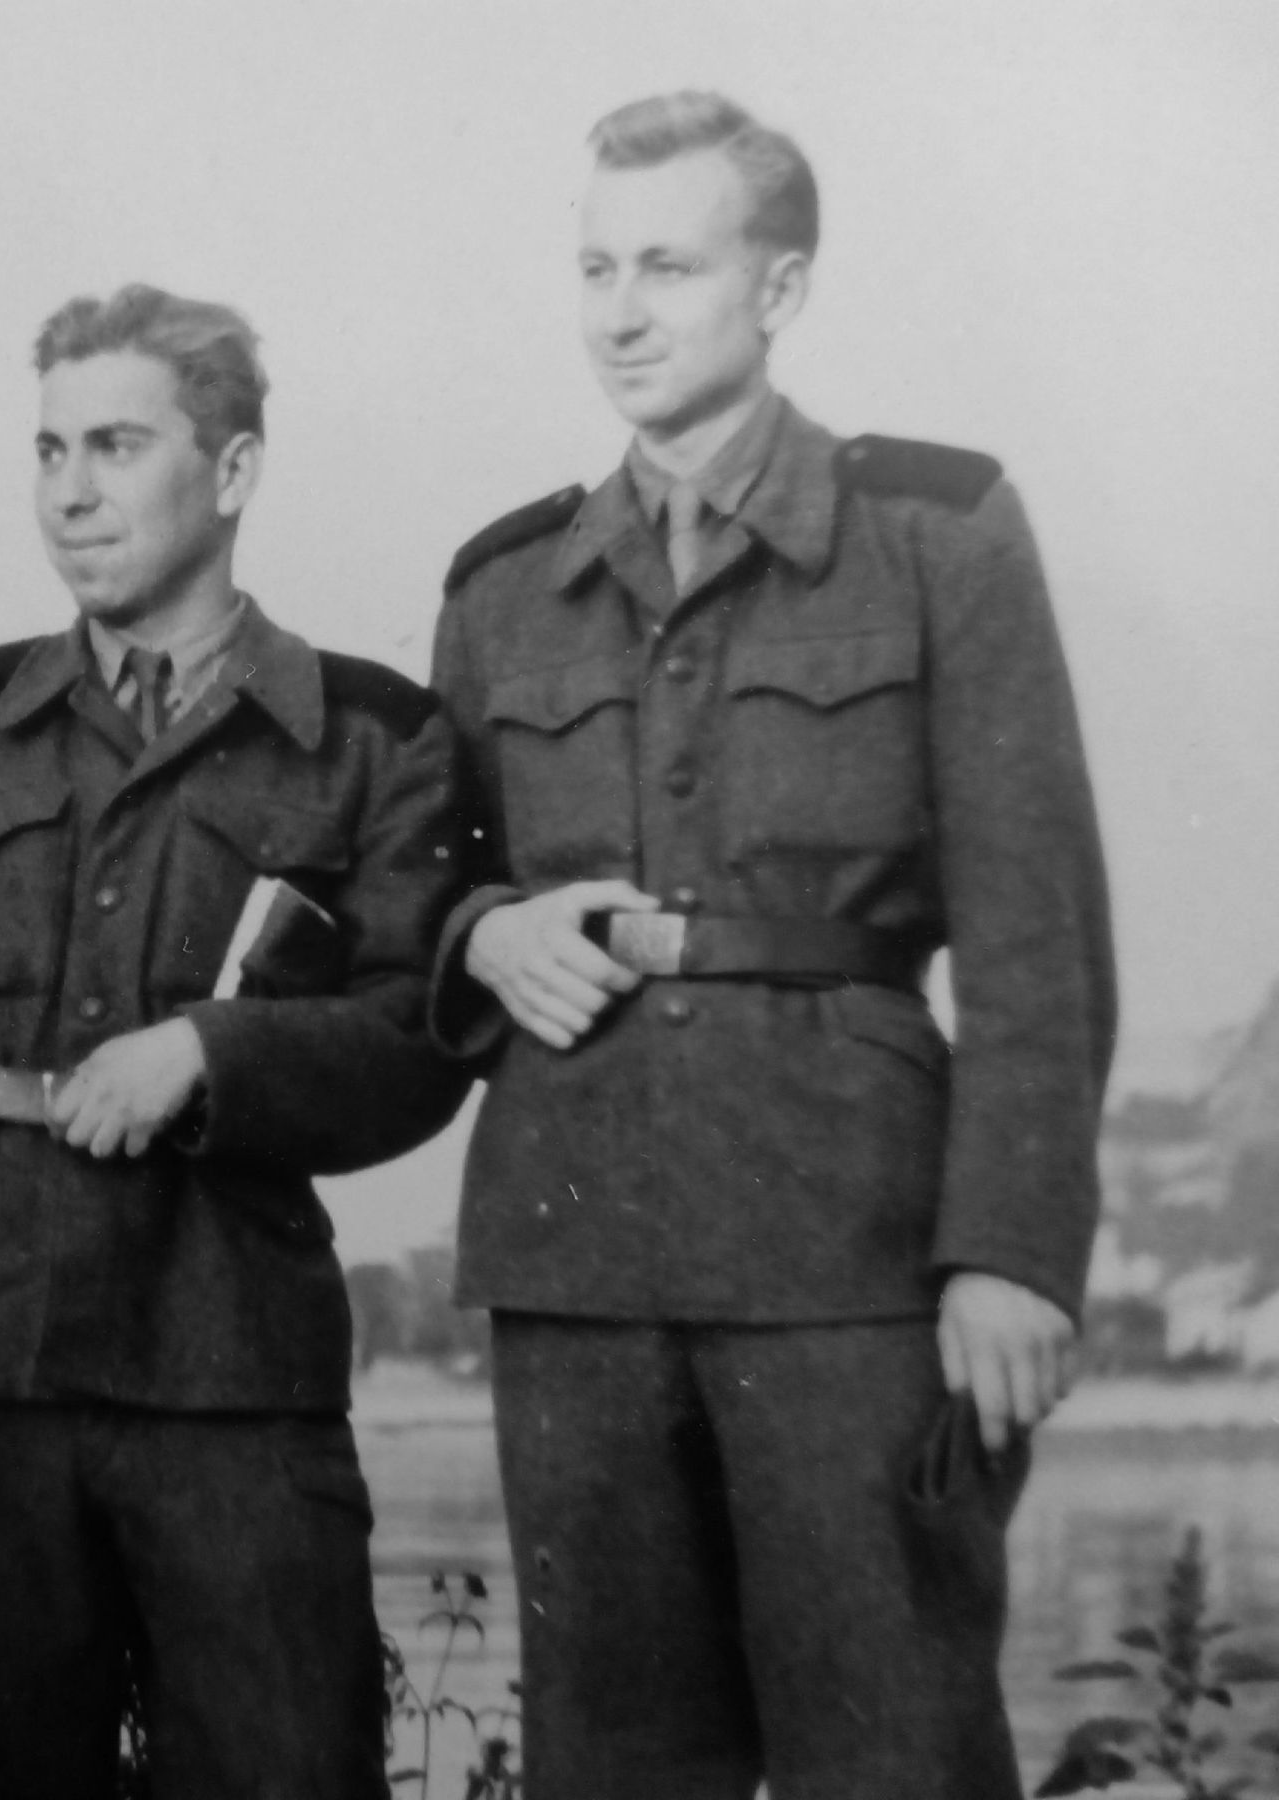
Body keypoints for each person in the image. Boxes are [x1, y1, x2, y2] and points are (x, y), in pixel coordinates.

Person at [427, 92, 1115, 1800]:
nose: (621, 311)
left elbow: (1038, 935)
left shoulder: (938, 535)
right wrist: (486, 934)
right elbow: (418, 897)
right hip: (577, 1263)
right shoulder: (505, 587)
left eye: (669, 266)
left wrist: (1012, 1253)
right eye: (597, 268)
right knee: (612, 1768)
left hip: (850, 1253)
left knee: (894, 1752)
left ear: (782, 285)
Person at [0, 284, 469, 1800]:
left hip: (228, 1352)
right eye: (49, 449)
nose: (70, 491)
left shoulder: (372, 738)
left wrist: (213, 1055)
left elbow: (419, 1040)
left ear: (234, 468)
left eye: (117, 446)